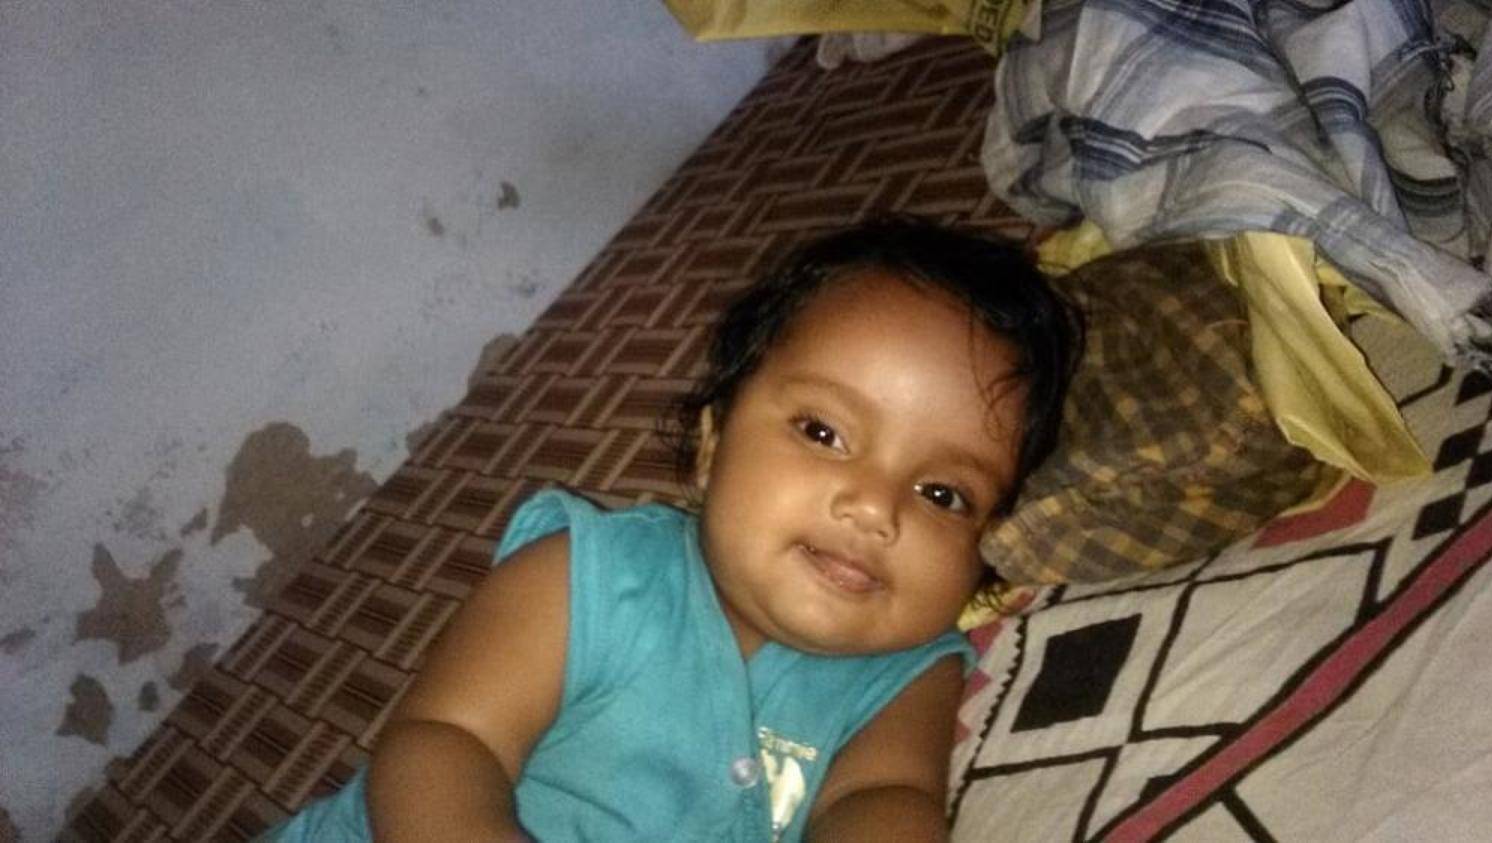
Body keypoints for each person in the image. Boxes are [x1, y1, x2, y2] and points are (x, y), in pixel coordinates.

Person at [263, 216, 1078, 842]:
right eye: (823, 432)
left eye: (942, 493)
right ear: (713, 446)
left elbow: (884, 800)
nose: (875, 506)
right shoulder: (587, 572)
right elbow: (443, 740)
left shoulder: (906, 673)